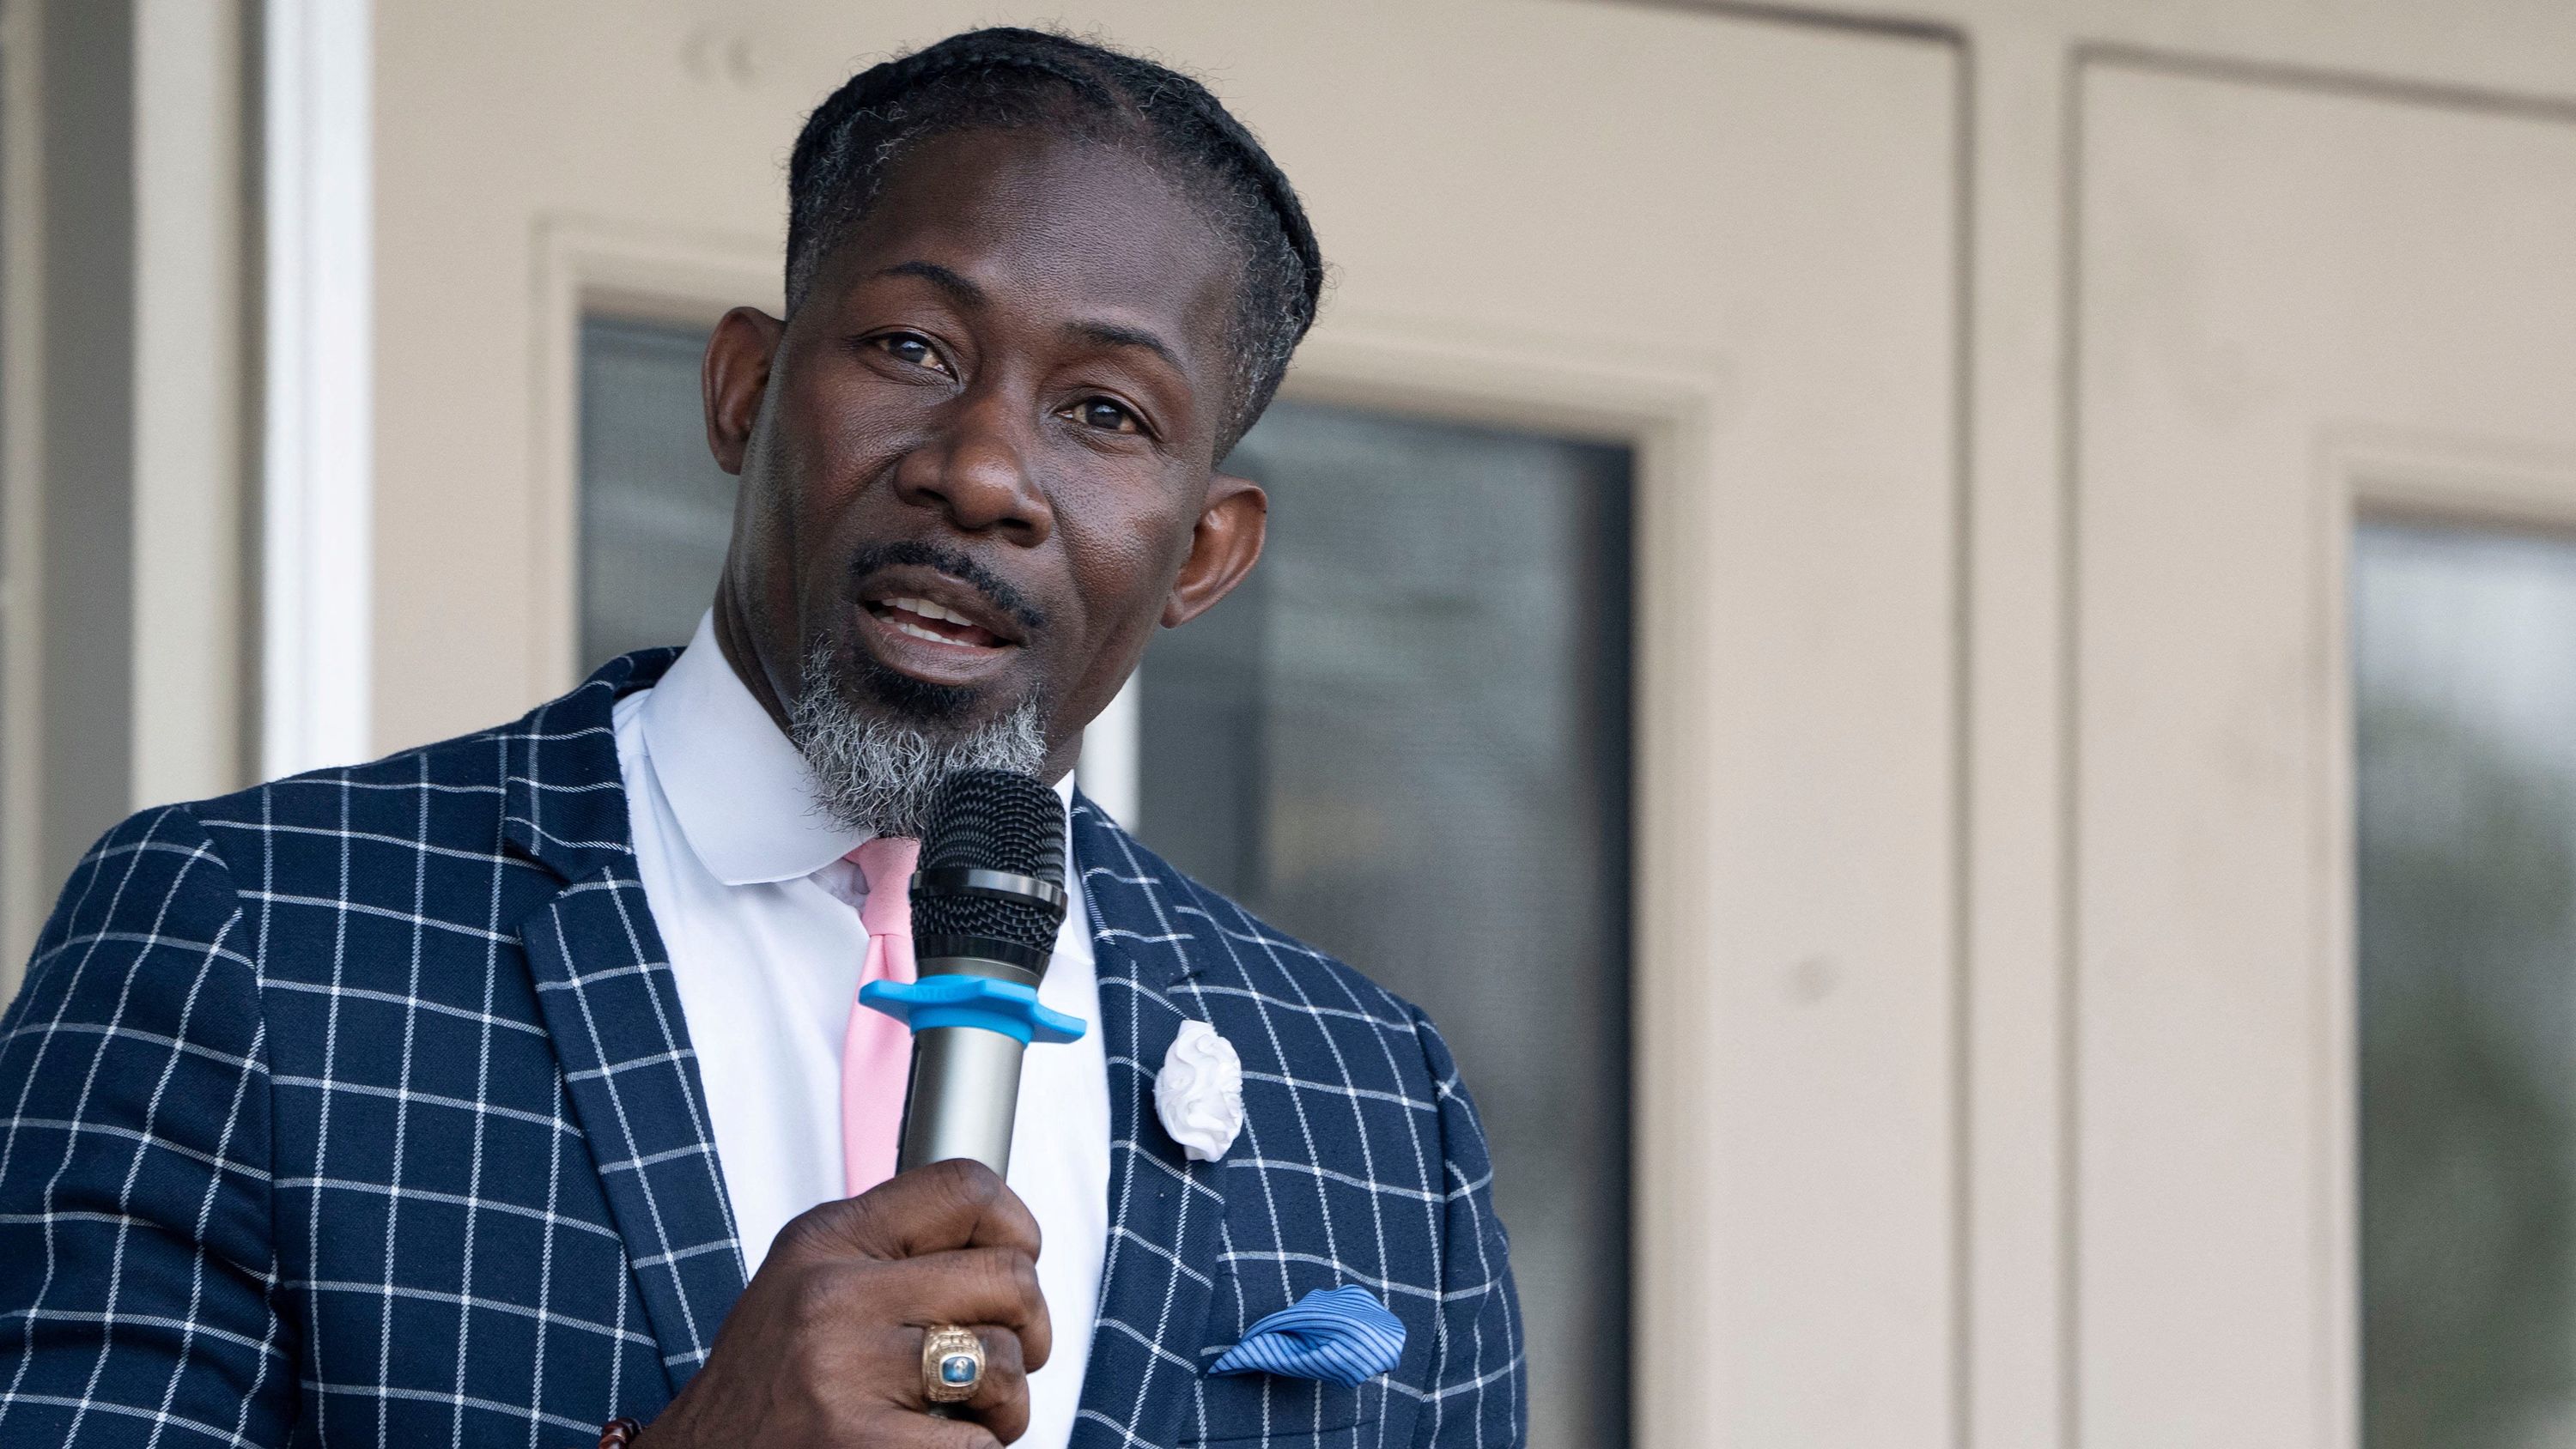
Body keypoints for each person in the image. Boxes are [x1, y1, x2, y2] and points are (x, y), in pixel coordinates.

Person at [0, 26, 1523, 1449]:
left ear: (1205, 555)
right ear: (744, 389)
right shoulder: (248, 935)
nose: (984, 469)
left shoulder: (1376, 1101)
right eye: (916, 348)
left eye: (1108, 412)